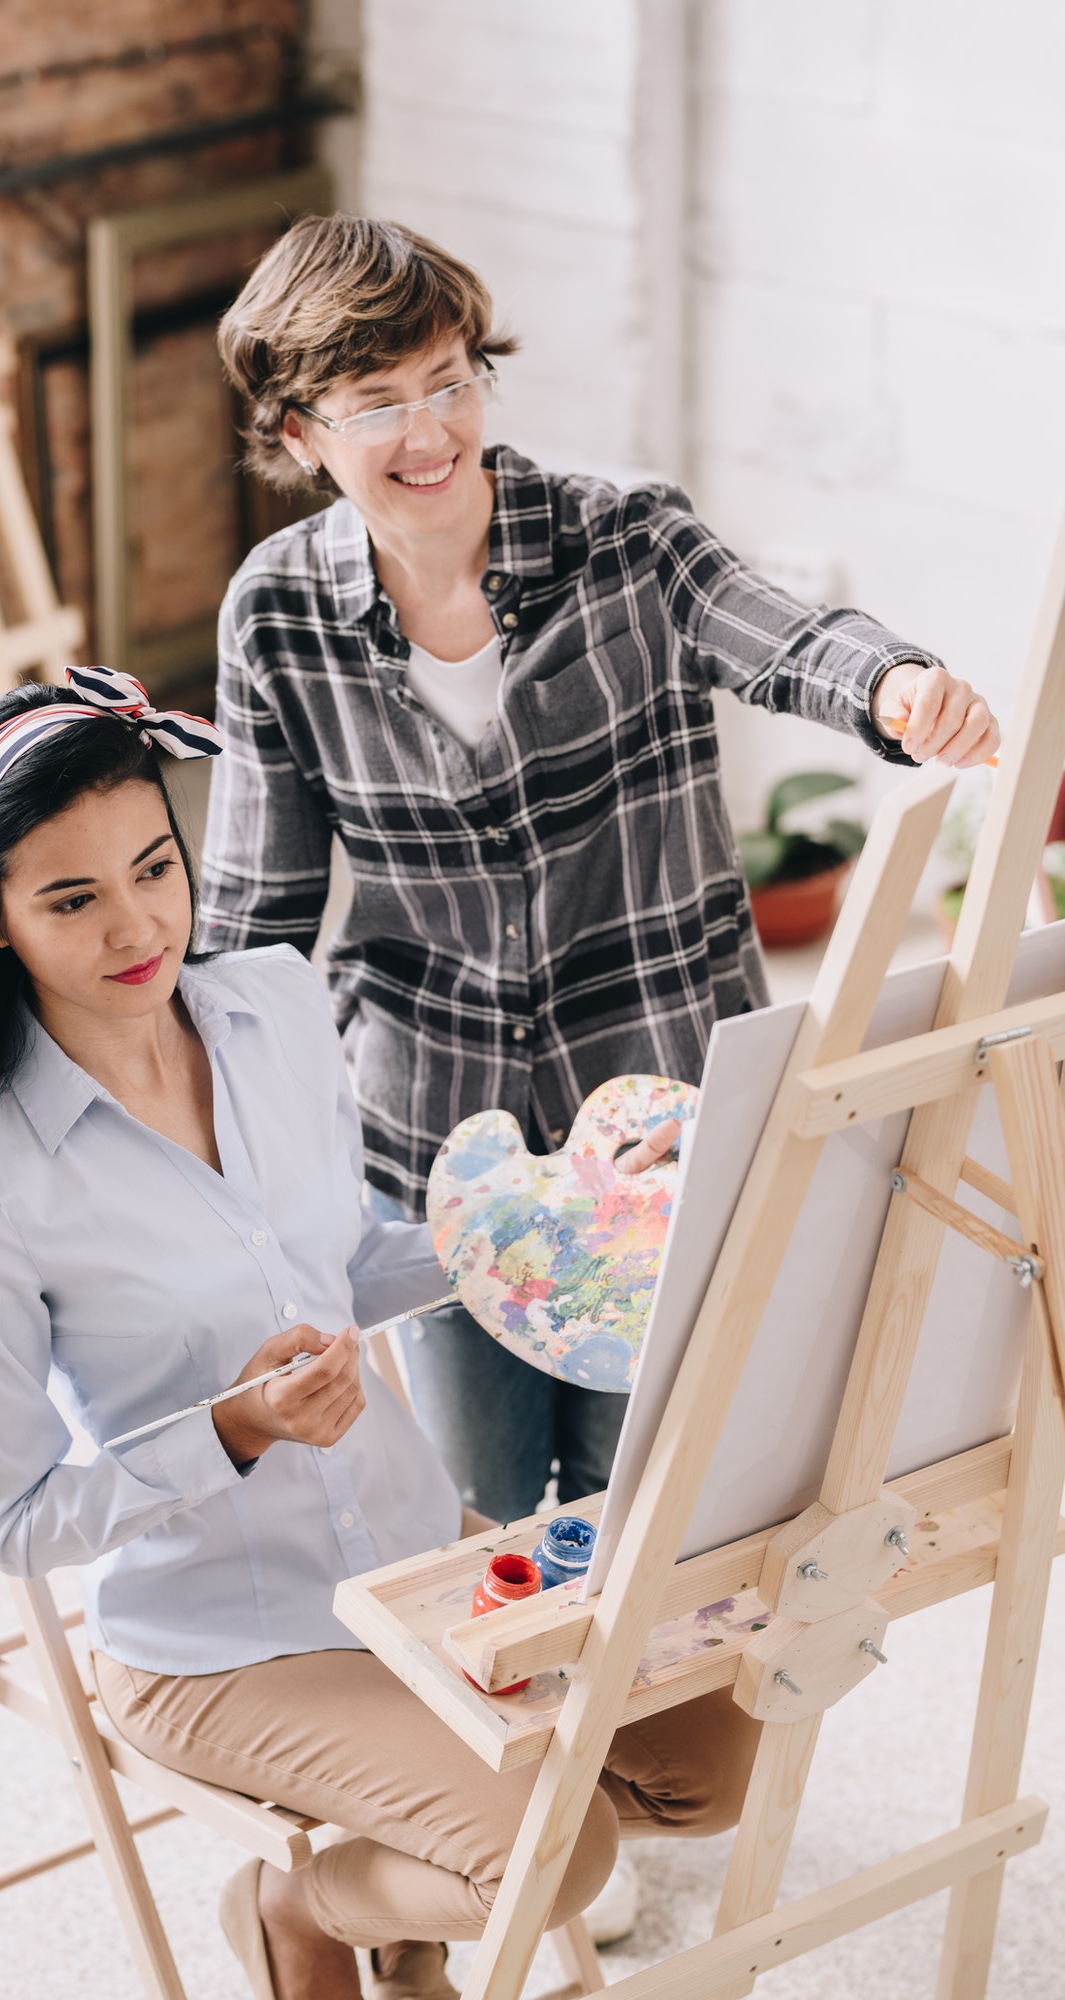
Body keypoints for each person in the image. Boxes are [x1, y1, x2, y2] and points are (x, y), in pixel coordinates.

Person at [0, 669, 763, 2000]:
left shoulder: (270, 1006)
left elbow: (347, 1265)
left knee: (713, 1762)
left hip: (412, 1568)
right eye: (71, 900)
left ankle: (347, 1891)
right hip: (221, 1643)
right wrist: (231, 1430)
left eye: (154, 868)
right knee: (557, 1850)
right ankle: (310, 1910)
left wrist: (572, 1215)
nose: (137, 926)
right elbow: (17, 1523)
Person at [202, 212, 1001, 1531]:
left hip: (667, 1123)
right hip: (436, 1141)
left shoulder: (623, 535)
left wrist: (896, 687)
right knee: (483, 1516)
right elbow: (254, 917)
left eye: (450, 382)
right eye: (376, 404)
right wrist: (195, 1121)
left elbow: (785, 635)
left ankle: (637, 1748)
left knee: (657, 1512)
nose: (430, 434)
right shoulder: (276, 613)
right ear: (299, 434)